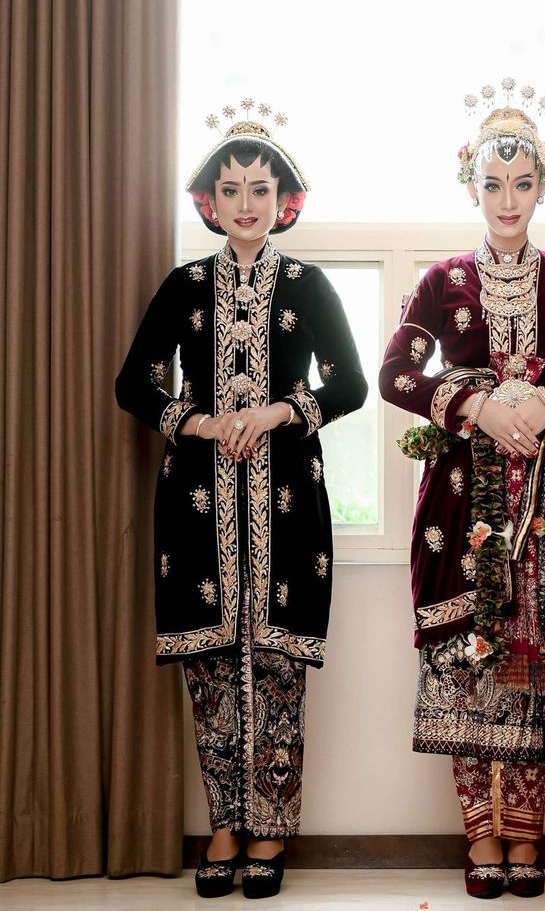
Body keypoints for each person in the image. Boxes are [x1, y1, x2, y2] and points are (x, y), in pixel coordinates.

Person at [379, 80, 545, 899]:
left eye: (522, 183)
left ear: (543, 185)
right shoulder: (441, 282)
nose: (507, 200)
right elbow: (393, 374)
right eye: (492, 185)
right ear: (471, 186)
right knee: (467, 661)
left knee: (533, 665)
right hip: (461, 505)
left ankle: (526, 841)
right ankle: (481, 841)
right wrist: (479, 405)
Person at [115, 100, 368, 899]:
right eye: (232, 189)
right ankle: (222, 824)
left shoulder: (310, 285)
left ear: (284, 199)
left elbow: (354, 384)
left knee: (279, 674)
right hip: (195, 505)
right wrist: (193, 422)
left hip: (291, 504)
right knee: (214, 676)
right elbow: (133, 383)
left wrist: (281, 411)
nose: (247, 203)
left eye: (261, 188)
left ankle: (270, 829)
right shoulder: (184, 286)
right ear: (210, 203)